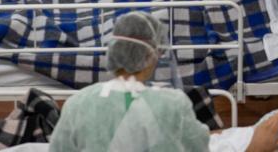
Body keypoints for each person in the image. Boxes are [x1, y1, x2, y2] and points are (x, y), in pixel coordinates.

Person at [48, 12, 212, 151]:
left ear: (115, 50)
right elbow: (198, 146)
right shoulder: (174, 104)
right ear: (150, 55)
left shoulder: (77, 104)